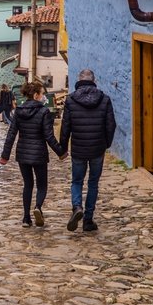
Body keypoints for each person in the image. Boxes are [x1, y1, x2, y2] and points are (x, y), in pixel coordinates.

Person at [0, 81, 65, 227]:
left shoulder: (19, 111)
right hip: (39, 154)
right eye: (42, 94)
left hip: (23, 153)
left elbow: (11, 134)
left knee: (28, 184)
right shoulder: (44, 112)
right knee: (42, 185)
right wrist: (61, 152)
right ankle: (38, 207)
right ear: (36, 95)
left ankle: (26, 218)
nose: (43, 97)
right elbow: (49, 136)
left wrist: (5, 155)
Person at [60, 68, 117, 232]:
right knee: (93, 183)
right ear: (94, 81)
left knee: (77, 181)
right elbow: (111, 125)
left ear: (79, 80)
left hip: (78, 148)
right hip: (97, 148)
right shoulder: (104, 100)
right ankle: (88, 220)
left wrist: (63, 148)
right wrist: (106, 143)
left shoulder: (71, 100)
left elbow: (65, 128)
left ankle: (77, 207)